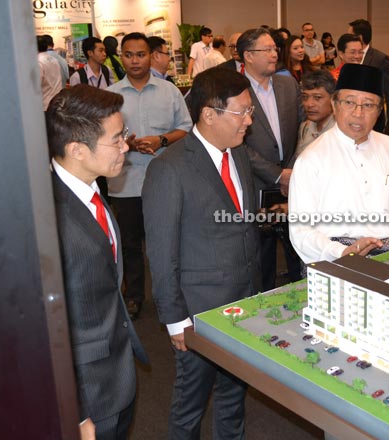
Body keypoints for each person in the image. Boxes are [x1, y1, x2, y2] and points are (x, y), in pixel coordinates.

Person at [143, 67, 260, 440]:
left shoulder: (237, 154)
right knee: (190, 403)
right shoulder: (169, 168)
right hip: (199, 310)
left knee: (233, 394)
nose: (249, 120)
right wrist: (176, 320)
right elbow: (161, 254)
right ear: (210, 114)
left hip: (242, 303)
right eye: (242, 112)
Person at [46, 85, 148, 440]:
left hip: (116, 374)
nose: (126, 146)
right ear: (76, 149)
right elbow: (48, 329)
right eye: (117, 139)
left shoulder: (92, 190)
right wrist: (75, 413)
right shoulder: (47, 219)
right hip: (87, 393)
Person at [289, 63, 389, 264]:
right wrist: (341, 252)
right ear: (334, 105)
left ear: (379, 109)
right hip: (336, 259)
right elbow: (301, 230)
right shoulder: (312, 159)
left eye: (368, 105)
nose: (358, 113)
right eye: (349, 102)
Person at [106, 33, 192, 320]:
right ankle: (134, 296)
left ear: (151, 56)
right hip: (126, 180)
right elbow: (100, 136)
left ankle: (169, 295)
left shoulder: (169, 91)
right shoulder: (111, 94)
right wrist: (126, 143)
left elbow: (186, 128)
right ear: (121, 56)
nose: (134, 60)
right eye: (128, 55)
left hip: (165, 180)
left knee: (168, 240)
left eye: (140, 54)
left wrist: (161, 140)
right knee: (131, 243)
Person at [237, 27, 303, 289]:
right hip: (255, 182)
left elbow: (302, 129)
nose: (275, 54)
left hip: (292, 181)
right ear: (248, 56)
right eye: (267, 50)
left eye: (275, 49)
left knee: (296, 247)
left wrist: (292, 170)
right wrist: (276, 174)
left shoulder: (288, 84)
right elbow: (237, 143)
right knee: (261, 256)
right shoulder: (236, 90)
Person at [348, 19, 389, 132]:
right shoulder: (348, 57)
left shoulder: (380, 59)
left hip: (373, 121)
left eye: (350, 35)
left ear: (360, 37)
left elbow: (388, 91)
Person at [296, 70, 336, 155]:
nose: (309, 104)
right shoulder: (304, 128)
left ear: (333, 99)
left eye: (317, 98)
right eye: (305, 97)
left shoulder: (341, 131)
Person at [37, 35, 62, 111]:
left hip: (44, 104)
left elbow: (36, 85)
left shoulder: (38, 61)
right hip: (56, 102)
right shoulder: (54, 59)